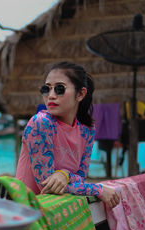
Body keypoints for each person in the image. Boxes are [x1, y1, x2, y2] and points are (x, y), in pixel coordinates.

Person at [15, 61, 120, 209]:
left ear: (80, 94)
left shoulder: (87, 130)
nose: (51, 96)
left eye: (59, 89)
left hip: (58, 211)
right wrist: (98, 189)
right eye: (46, 89)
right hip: (26, 212)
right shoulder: (40, 124)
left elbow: (81, 178)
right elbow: (47, 186)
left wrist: (64, 175)